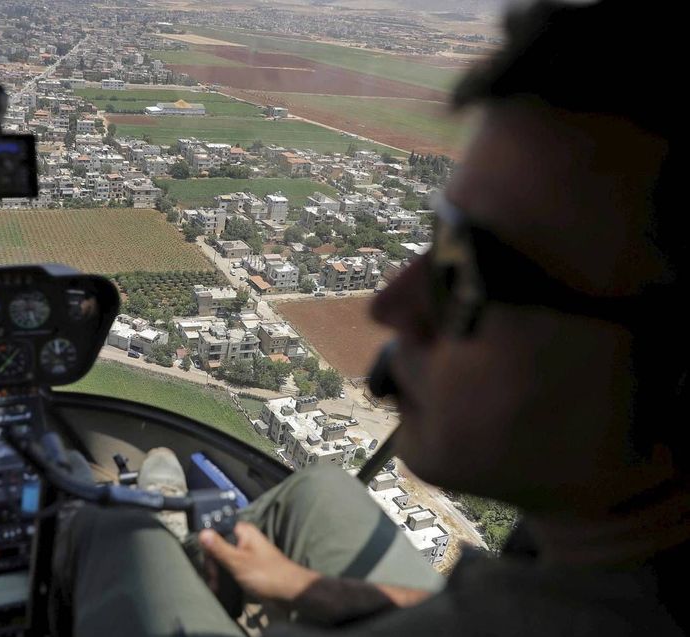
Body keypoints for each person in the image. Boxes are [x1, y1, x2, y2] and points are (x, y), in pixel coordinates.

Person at [53, 1, 687, 635]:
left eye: (469, 271)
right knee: (320, 490)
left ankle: (144, 528)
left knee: (113, 529)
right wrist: (322, 592)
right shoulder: (607, 548)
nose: (389, 303)